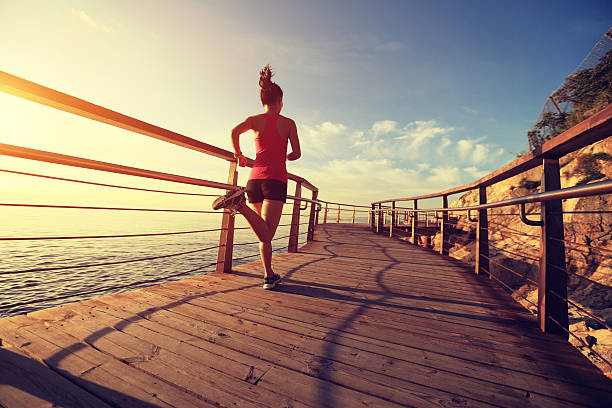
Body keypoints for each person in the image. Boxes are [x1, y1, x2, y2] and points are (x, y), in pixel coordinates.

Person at [212, 65, 301, 289]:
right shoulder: (288, 123)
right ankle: (239, 204)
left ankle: (269, 275)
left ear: (262, 101)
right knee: (268, 233)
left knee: (263, 231)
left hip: (254, 180)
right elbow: (297, 154)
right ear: (280, 100)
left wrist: (239, 154)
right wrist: (286, 157)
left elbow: (233, 132)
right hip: (276, 180)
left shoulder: (254, 120)